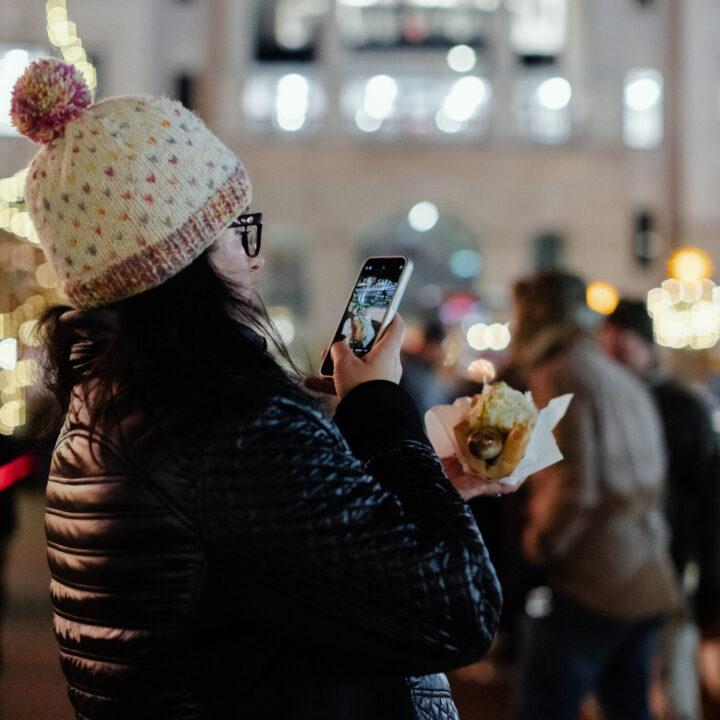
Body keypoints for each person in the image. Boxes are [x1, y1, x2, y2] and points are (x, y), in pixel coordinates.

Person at [11, 58, 511, 719]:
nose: (255, 257)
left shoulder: (112, 406)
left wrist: (420, 490)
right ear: (186, 258)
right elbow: (460, 607)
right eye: (238, 231)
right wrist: (377, 406)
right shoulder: (225, 424)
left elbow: (269, 574)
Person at [506, 271, 679, 720]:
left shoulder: (560, 372)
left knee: (544, 705)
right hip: (644, 570)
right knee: (629, 706)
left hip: (591, 579)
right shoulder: (611, 372)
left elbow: (572, 488)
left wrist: (537, 547)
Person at [599, 298, 720, 720]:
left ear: (644, 343)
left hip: (668, 563)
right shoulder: (601, 400)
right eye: (607, 341)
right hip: (612, 567)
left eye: (622, 341)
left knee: (673, 681)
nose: (612, 351)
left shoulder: (683, 407)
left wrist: (707, 580)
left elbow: (705, 499)